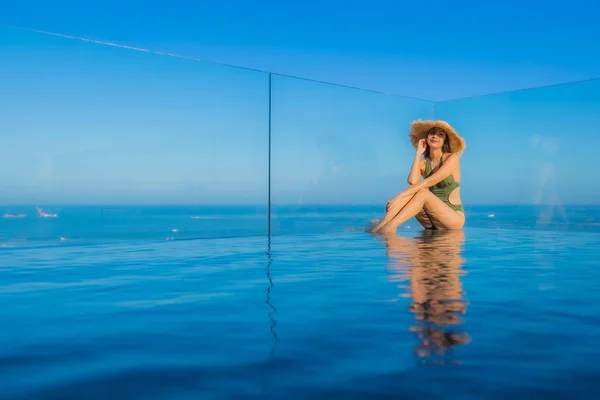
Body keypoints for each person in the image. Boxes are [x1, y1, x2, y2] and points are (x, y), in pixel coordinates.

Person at [367, 120, 466, 234]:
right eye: (432, 133)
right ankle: (382, 225)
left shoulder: (452, 158)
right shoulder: (424, 163)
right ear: (426, 138)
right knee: (415, 191)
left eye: (440, 134)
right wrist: (418, 153)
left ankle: (389, 228)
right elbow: (412, 182)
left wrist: (398, 197)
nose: (435, 136)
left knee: (422, 192)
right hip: (431, 220)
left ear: (445, 141)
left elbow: (430, 181)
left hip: (453, 219)